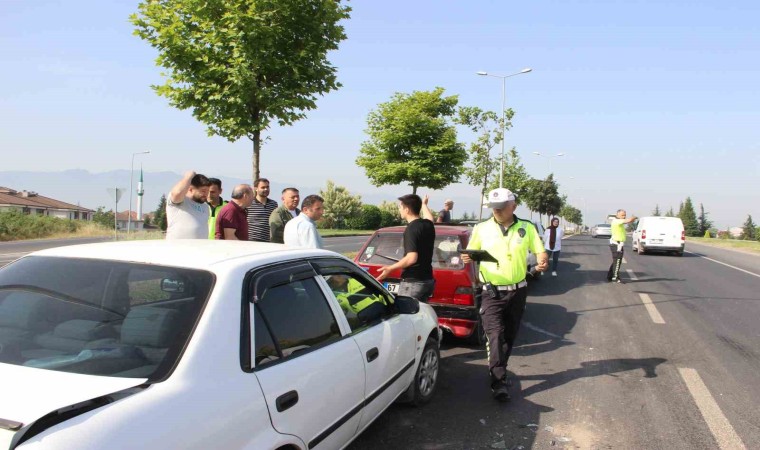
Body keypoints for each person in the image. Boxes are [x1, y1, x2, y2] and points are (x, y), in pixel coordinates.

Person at [461, 188, 548, 402]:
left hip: (518, 292)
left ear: (513, 206)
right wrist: (467, 258)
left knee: (509, 336)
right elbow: (470, 252)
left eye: (501, 207)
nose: (497, 211)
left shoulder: (526, 228)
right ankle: (498, 382)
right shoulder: (481, 228)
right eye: (493, 208)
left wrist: (543, 260)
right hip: (491, 292)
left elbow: (540, 251)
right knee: (495, 334)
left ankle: (500, 367)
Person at [376, 194, 436, 302]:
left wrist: (390, 268)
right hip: (427, 280)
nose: (399, 210)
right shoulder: (428, 224)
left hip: (413, 282)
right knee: (419, 315)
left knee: (406, 316)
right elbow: (430, 218)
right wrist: (424, 204)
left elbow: (412, 258)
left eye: (400, 207)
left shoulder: (411, 229)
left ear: (407, 209)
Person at [165, 171, 211, 240]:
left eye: (208, 191)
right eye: (203, 191)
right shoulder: (180, 201)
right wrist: (188, 176)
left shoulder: (205, 207)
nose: (206, 194)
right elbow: (177, 193)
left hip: (199, 248)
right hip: (177, 247)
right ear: (191, 189)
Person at [608, 209, 637, 283]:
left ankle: (610, 275)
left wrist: (631, 220)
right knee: (617, 261)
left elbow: (628, 221)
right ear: (617, 215)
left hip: (618, 244)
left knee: (616, 261)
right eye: (622, 215)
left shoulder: (618, 221)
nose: (624, 216)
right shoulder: (617, 221)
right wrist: (633, 218)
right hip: (616, 244)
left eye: (625, 215)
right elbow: (628, 220)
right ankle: (615, 277)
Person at [246, 178, 278, 242]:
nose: (266, 189)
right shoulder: (249, 203)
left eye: (267, 187)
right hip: (251, 240)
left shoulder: (274, 204)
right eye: (263, 187)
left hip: (268, 241)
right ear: (256, 189)